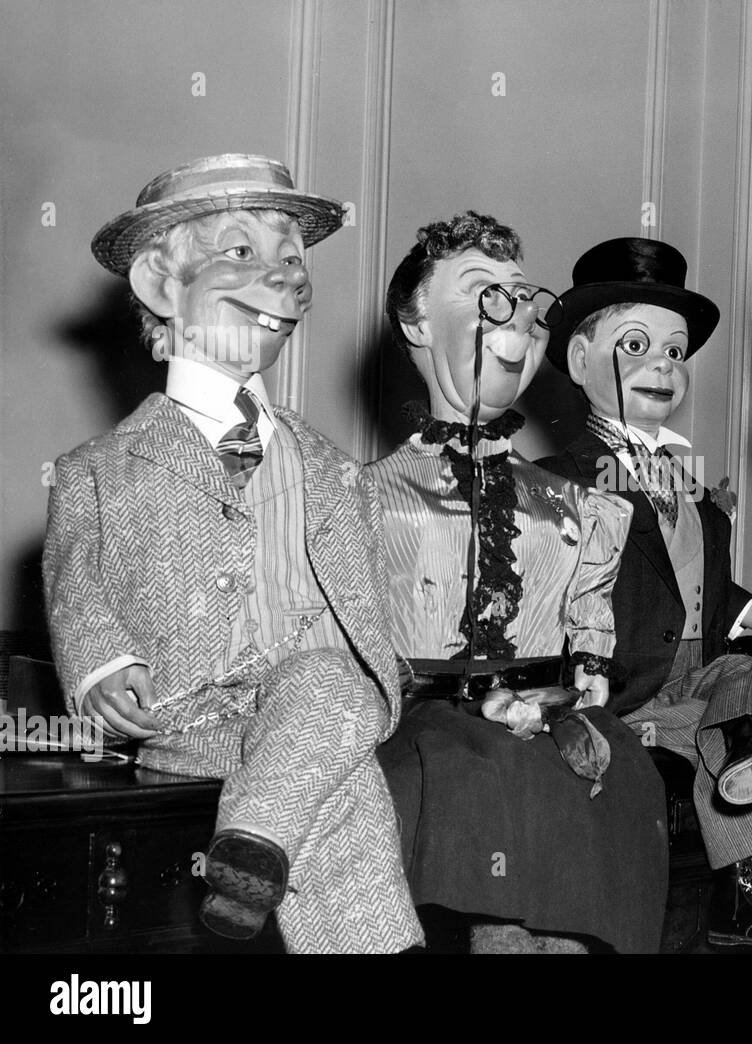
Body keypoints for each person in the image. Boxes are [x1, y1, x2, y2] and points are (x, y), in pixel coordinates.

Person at [43, 154, 422, 953]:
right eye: (243, 254)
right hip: (195, 717)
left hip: (319, 704)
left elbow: (361, 601)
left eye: (292, 260)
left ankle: (250, 853)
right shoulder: (96, 472)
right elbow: (75, 585)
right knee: (340, 758)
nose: (286, 280)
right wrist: (101, 665)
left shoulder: (331, 466)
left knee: (333, 688)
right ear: (159, 286)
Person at [539, 237, 752, 948]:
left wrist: (742, 608)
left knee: (745, 670)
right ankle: (746, 835)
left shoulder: (686, 480)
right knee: (706, 733)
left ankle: (751, 799)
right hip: (617, 685)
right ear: (581, 359)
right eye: (638, 344)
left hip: (695, 665)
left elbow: (690, 574)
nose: (663, 365)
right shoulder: (561, 477)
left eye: (676, 353)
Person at [367, 213, 669, 954]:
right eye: (482, 295)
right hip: (426, 738)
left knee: (613, 775)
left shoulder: (578, 506)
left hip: (545, 726)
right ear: (415, 323)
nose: (514, 318)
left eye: (521, 296)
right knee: (486, 795)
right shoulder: (361, 497)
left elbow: (590, 651)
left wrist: (573, 691)